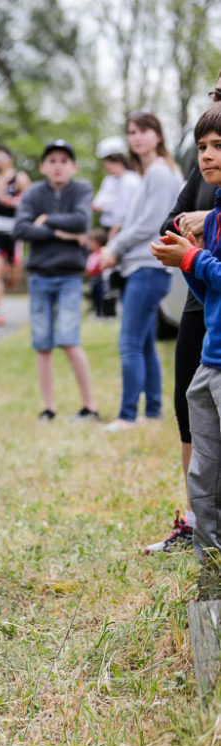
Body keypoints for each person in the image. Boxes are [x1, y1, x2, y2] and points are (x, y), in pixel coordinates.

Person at [144, 73, 221, 554]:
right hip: (207, 315)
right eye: (216, 91)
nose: (208, 153)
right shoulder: (204, 167)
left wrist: (199, 242)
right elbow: (170, 221)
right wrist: (189, 249)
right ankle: (205, 549)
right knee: (195, 425)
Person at [99, 111, 183, 432]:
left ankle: (128, 415)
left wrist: (114, 248)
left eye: (144, 130)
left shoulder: (160, 173)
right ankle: (153, 410)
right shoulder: (151, 173)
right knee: (145, 343)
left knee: (129, 343)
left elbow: (150, 224)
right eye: (132, 132)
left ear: (158, 135)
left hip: (148, 268)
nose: (136, 137)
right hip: (146, 268)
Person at [12, 139, 100, 422]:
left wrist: (46, 219)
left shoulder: (82, 189)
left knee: (69, 339)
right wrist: (60, 233)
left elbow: (82, 222)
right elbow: (21, 229)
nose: (58, 166)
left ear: (72, 166)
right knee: (43, 344)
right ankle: (48, 408)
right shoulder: (34, 193)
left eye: (64, 161)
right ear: (43, 166)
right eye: (52, 161)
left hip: (70, 277)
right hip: (39, 276)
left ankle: (90, 406)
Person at [0, 145, 32, 326]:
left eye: (1, 157)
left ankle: (10, 273)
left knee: (12, 275)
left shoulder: (20, 178)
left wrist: (11, 202)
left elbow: (29, 203)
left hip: (14, 230)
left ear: (10, 159)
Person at [92, 136, 141, 240]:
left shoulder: (131, 180)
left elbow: (125, 210)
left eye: (107, 162)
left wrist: (114, 232)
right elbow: (97, 204)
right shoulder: (109, 180)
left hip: (122, 230)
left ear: (117, 160)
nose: (105, 166)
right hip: (106, 228)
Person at [85, 228, 111, 318]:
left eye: (91, 242)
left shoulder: (102, 252)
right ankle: (97, 312)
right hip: (94, 278)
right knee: (95, 296)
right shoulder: (92, 254)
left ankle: (103, 313)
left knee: (101, 296)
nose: (89, 244)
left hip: (101, 278)